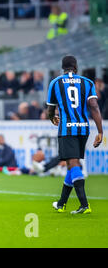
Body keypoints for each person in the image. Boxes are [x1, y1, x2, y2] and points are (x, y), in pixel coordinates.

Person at [46, 55, 103, 214]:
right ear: (76, 67)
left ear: (62, 68)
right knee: (73, 163)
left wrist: (52, 118)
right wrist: (100, 131)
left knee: (73, 164)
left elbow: (50, 109)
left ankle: (84, 205)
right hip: (83, 129)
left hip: (67, 129)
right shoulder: (88, 82)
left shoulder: (55, 83)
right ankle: (61, 203)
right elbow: (94, 106)